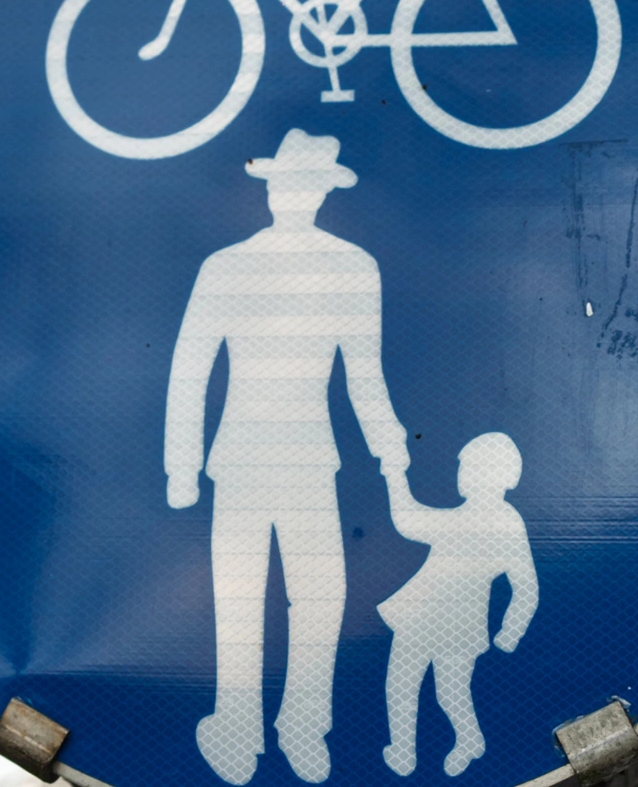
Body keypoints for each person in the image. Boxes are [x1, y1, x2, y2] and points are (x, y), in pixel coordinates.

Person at [165, 129, 409, 785]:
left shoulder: (353, 267)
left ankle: (303, 723)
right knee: (243, 596)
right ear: (271, 189)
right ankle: (239, 725)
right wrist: (180, 466)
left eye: (303, 185)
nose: (291, 194)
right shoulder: (226, 266)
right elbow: (190, 367)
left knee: (318, 595)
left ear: (320, 194)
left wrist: (391, 450)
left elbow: (364, 376)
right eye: (284, 183)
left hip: (306, 459)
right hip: (243, 458)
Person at [379, 433, 539, 778]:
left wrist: (511, 632)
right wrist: (394, 476)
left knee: (430, 689)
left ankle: (455, 742)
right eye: (464, 467)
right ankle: (409, 750)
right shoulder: (479, 518)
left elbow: (526, 587)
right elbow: (409, 521)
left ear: (500, 474)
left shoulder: (502, 523)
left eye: (471, 467)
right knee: (422, 688)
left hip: (434, 620)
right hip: (440, 621)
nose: (463, 474)